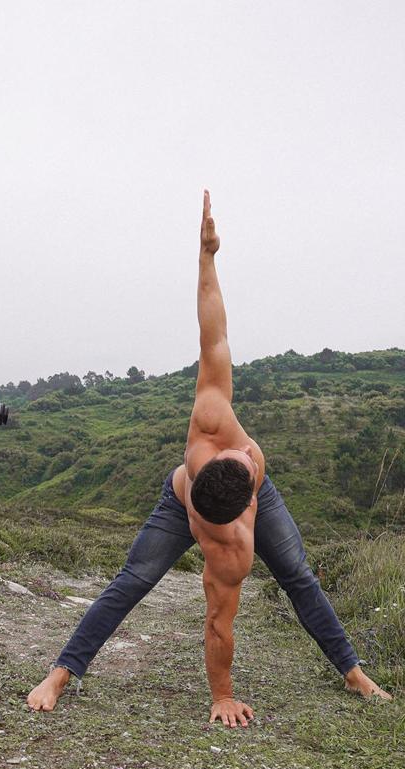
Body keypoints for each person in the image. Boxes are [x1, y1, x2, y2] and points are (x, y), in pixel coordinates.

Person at [27, 191, 392, 726]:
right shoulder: (231, 550)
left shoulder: (213, 419)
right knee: (133, 580)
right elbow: (219, 624)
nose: (250, 450)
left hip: (213, 495)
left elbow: (212, 331)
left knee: (298, 576)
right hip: (180, 505)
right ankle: (61, 672)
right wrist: (222, 696)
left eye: (246, 458)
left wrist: (207, 257)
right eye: (250, 461)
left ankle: (352, 670)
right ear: (240, 504)